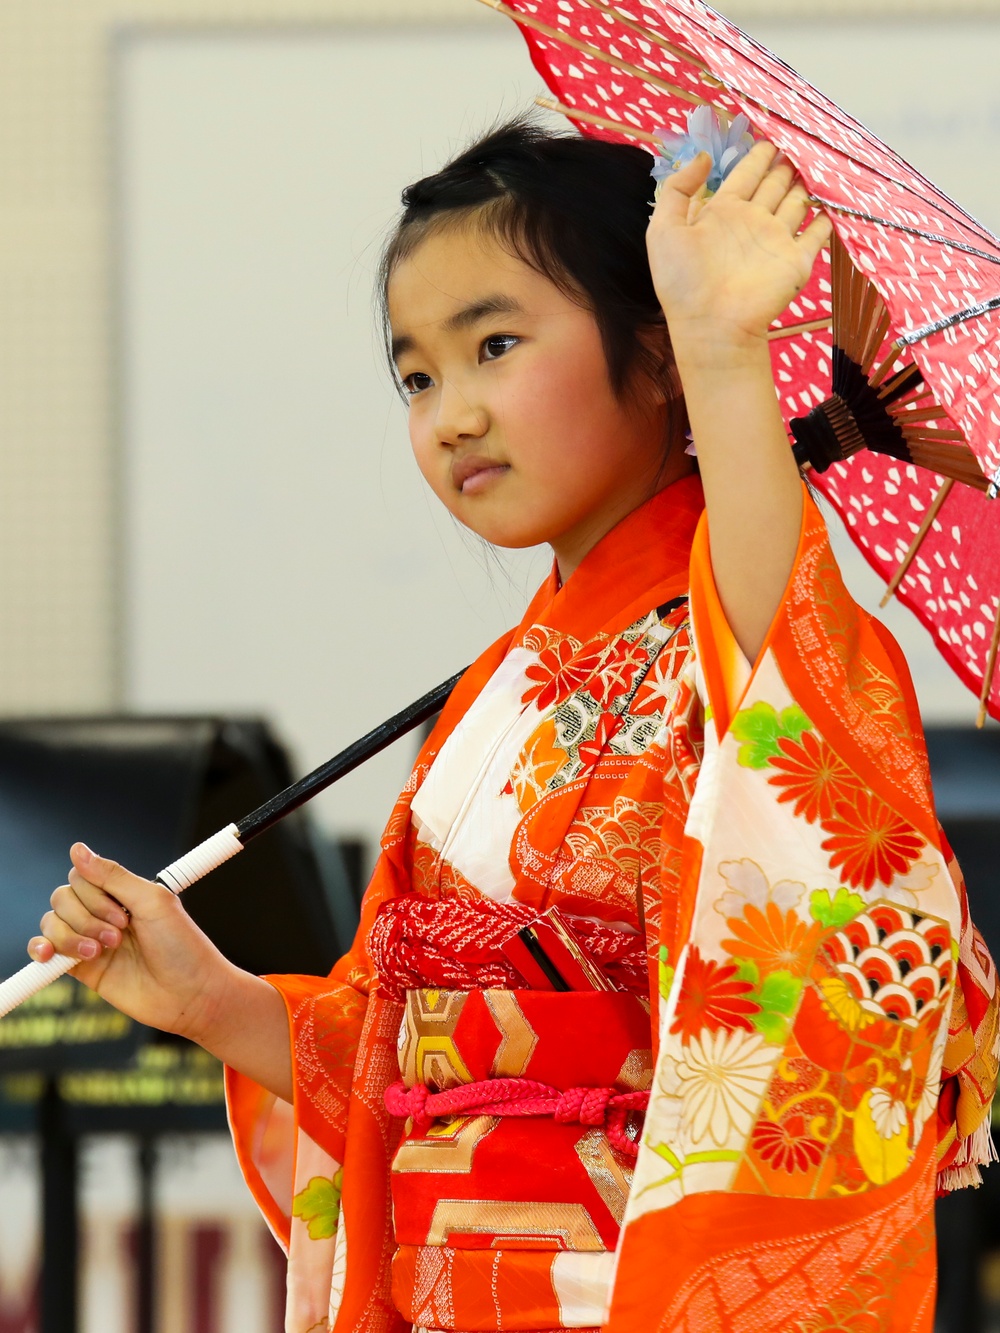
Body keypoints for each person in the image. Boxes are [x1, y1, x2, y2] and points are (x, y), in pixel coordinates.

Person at [29, 119, 999, 1332]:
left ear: (651, 359)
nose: (452, 414)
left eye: (494, 344)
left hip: (626, 1288)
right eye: (419, 375)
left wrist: (722, 344)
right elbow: (407, 1064)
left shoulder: (741, 623)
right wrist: (211, 999)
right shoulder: (501, 686)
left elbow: (780, 679)